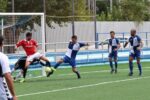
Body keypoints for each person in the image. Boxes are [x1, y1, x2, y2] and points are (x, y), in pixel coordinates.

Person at [0, 36, 17, 100]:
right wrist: (14, 95)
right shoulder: (2, 57)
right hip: (2, 92)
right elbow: (7, 76)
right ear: (2, 44)